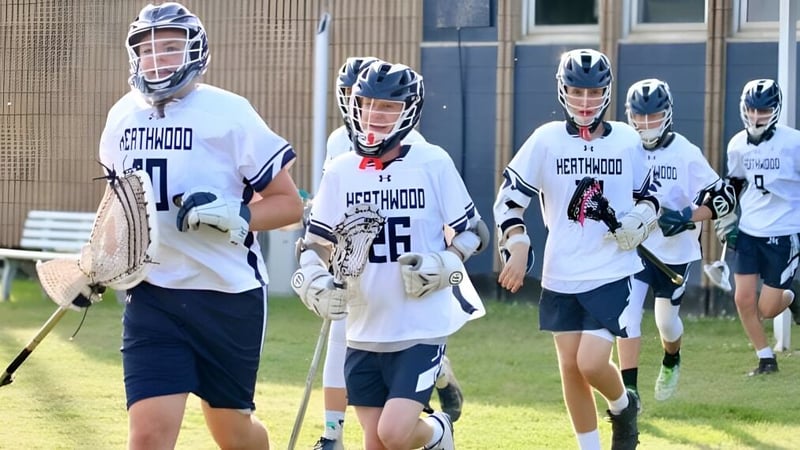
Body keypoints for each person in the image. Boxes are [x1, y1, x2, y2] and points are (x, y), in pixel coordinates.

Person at [98, 3, 304, 449]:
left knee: (233, 434)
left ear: (195, 51)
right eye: (148, 49)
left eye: (171, 47)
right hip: (153, 295)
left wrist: (238, 215)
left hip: (227, 296)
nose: (158, 59)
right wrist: (97, 264)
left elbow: (290, 206)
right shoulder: (121, 117)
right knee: (148, 435)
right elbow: (118, 204)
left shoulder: (230, 113)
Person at [293, 61, 488, 450]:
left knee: (394, 432)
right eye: (367, 104)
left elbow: (476, 231)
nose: (375, 115)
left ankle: (438, 432)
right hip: (364, 326)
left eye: (388, 107)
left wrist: (445, 263)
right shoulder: (341, 169)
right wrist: (312, 279)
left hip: (420, 324)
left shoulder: (431, 162)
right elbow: (315, 239)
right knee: (375, 442)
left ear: (408, 111)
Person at [494, 48, 652, 450]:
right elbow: (509, 199)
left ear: (607, 92)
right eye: (576, 91)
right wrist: (517, 241)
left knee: (591, 362)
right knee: (570, 367)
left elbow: (650, 197)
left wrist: (642, 218)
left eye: (594, 92)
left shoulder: (627, 140)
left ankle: (622, 404)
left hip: (612, 270)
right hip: (561, 270)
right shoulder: (545, 140)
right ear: (562, 91)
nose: (585, 101)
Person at [615, 79, 736, 405]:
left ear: (667, 115)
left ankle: (671, 358)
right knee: (626, 318)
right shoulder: (623, 148)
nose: (645, 124)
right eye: (639, 117)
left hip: (673, 253)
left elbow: (724, 197)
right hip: (637, 250)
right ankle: (630, 392)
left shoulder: (684, 151)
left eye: (653, 116)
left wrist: (687, 215)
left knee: (666, 323)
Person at [715, 78, 800, 376]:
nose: (756, 117)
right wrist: (726, 218)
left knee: (766, 309)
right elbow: (735, 183)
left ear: (775, 110)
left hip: (784, 230)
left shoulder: (794, 142)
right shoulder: (737, 143)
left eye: (763, 111)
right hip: (750, 229)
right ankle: (766, 358)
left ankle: (794, 295)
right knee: (743, 298)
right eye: (752, 110)